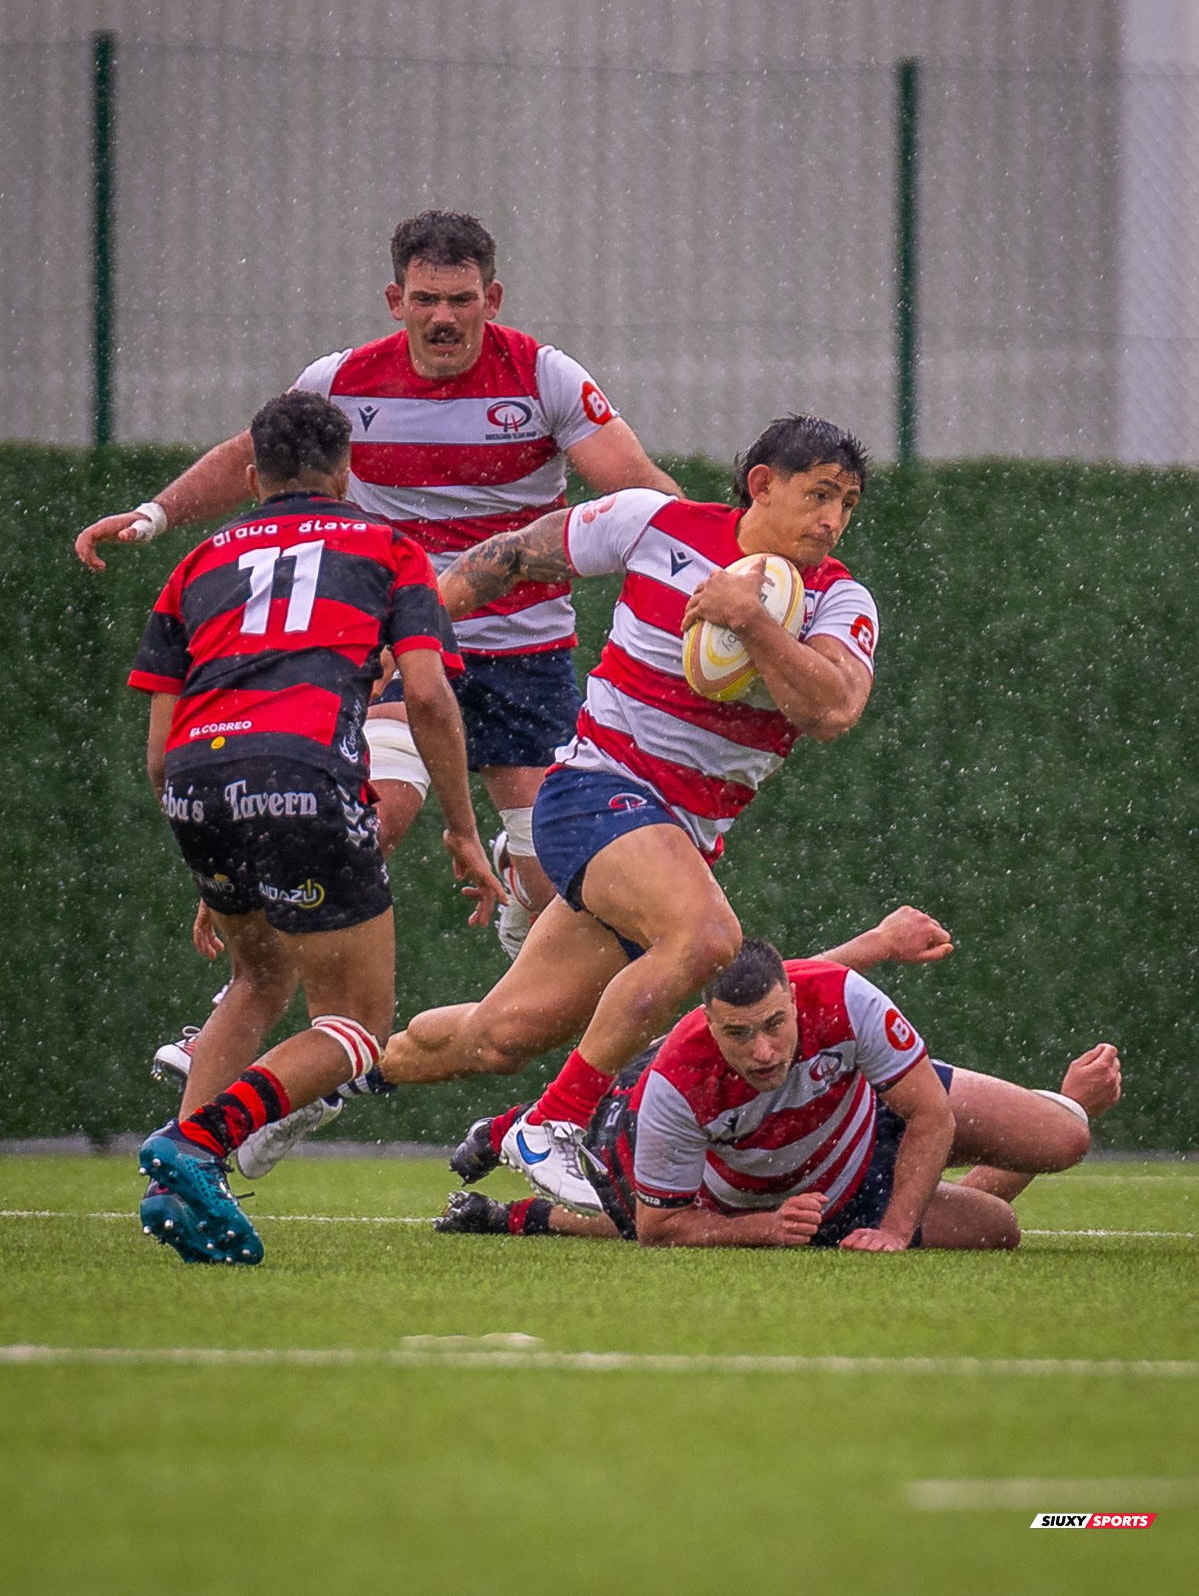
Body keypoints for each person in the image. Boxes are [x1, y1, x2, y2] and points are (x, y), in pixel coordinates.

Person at [75, 209, 680, 962]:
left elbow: (636, 490)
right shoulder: (339, 382)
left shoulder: (543, 376)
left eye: (460, 300)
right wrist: (153, 513)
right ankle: (261, 984)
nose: (443, 317)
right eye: (425, 299)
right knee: (369, 824)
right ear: (396, 301)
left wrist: (713, 559)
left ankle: (518, 882)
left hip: (525, 653)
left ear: (491, 301)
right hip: (398, 644)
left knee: (553, 875)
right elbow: (250, 455)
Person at [367, 414, 878, 1208]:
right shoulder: (654, 523)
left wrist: (747, 619)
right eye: (818, 495)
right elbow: (510, 558)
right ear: (760, 484)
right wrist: (403, 638)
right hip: (593, 790)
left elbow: (833, 710)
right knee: (707, 939)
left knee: (499, 1037)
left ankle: (332, 1074)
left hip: (676, 839)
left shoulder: (838, 599)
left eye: (846, 503)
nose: (831, 519)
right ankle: (552, 1124)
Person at [129, 391, 502, 1265]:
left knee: (257, 979)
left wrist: (215, 841)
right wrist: (460, 827)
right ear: (347, 471)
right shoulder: (388, 548)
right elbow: (427, 695)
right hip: (302, 775)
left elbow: (157, 751)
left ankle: (177, 1192)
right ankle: (194, 1146)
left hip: (196, 780)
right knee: (360, 1025)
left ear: (250, 474)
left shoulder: (198, 562)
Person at [439, 925, 1120, 1251]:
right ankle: (516, 1189)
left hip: (867, 1110)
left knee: (1065, 1138)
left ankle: (1061, 1104)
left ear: (793, 1001)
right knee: (997, 1231)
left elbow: (929, 1115)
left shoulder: (839, 996)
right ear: (709, 1025)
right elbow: (658, 1228)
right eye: (738, 1035)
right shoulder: (677, 1078)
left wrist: (894, 1229)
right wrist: (768, 1226)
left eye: (774, 1026)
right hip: (803, 1190)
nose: (763, 1053)